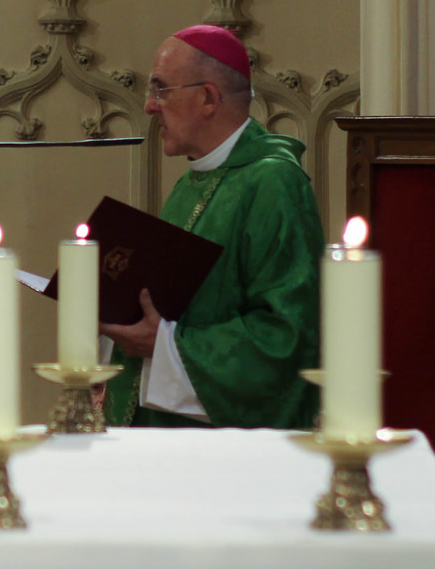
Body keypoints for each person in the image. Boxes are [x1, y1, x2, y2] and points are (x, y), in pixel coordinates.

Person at [99, 25, 320, 429]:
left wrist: (164, 346)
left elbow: (287, 337)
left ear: (207, 98)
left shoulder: (274, 183)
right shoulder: (194, 181)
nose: (150, 106)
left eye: (161, 90)